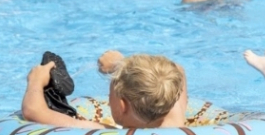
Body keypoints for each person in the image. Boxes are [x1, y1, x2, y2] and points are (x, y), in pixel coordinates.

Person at [21, 50, 188, 130]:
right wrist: (122, 66)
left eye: (111, 95)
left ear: (122, 106)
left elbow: (33, 111)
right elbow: (178, 70)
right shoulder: (174, 121)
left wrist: (36, 81)